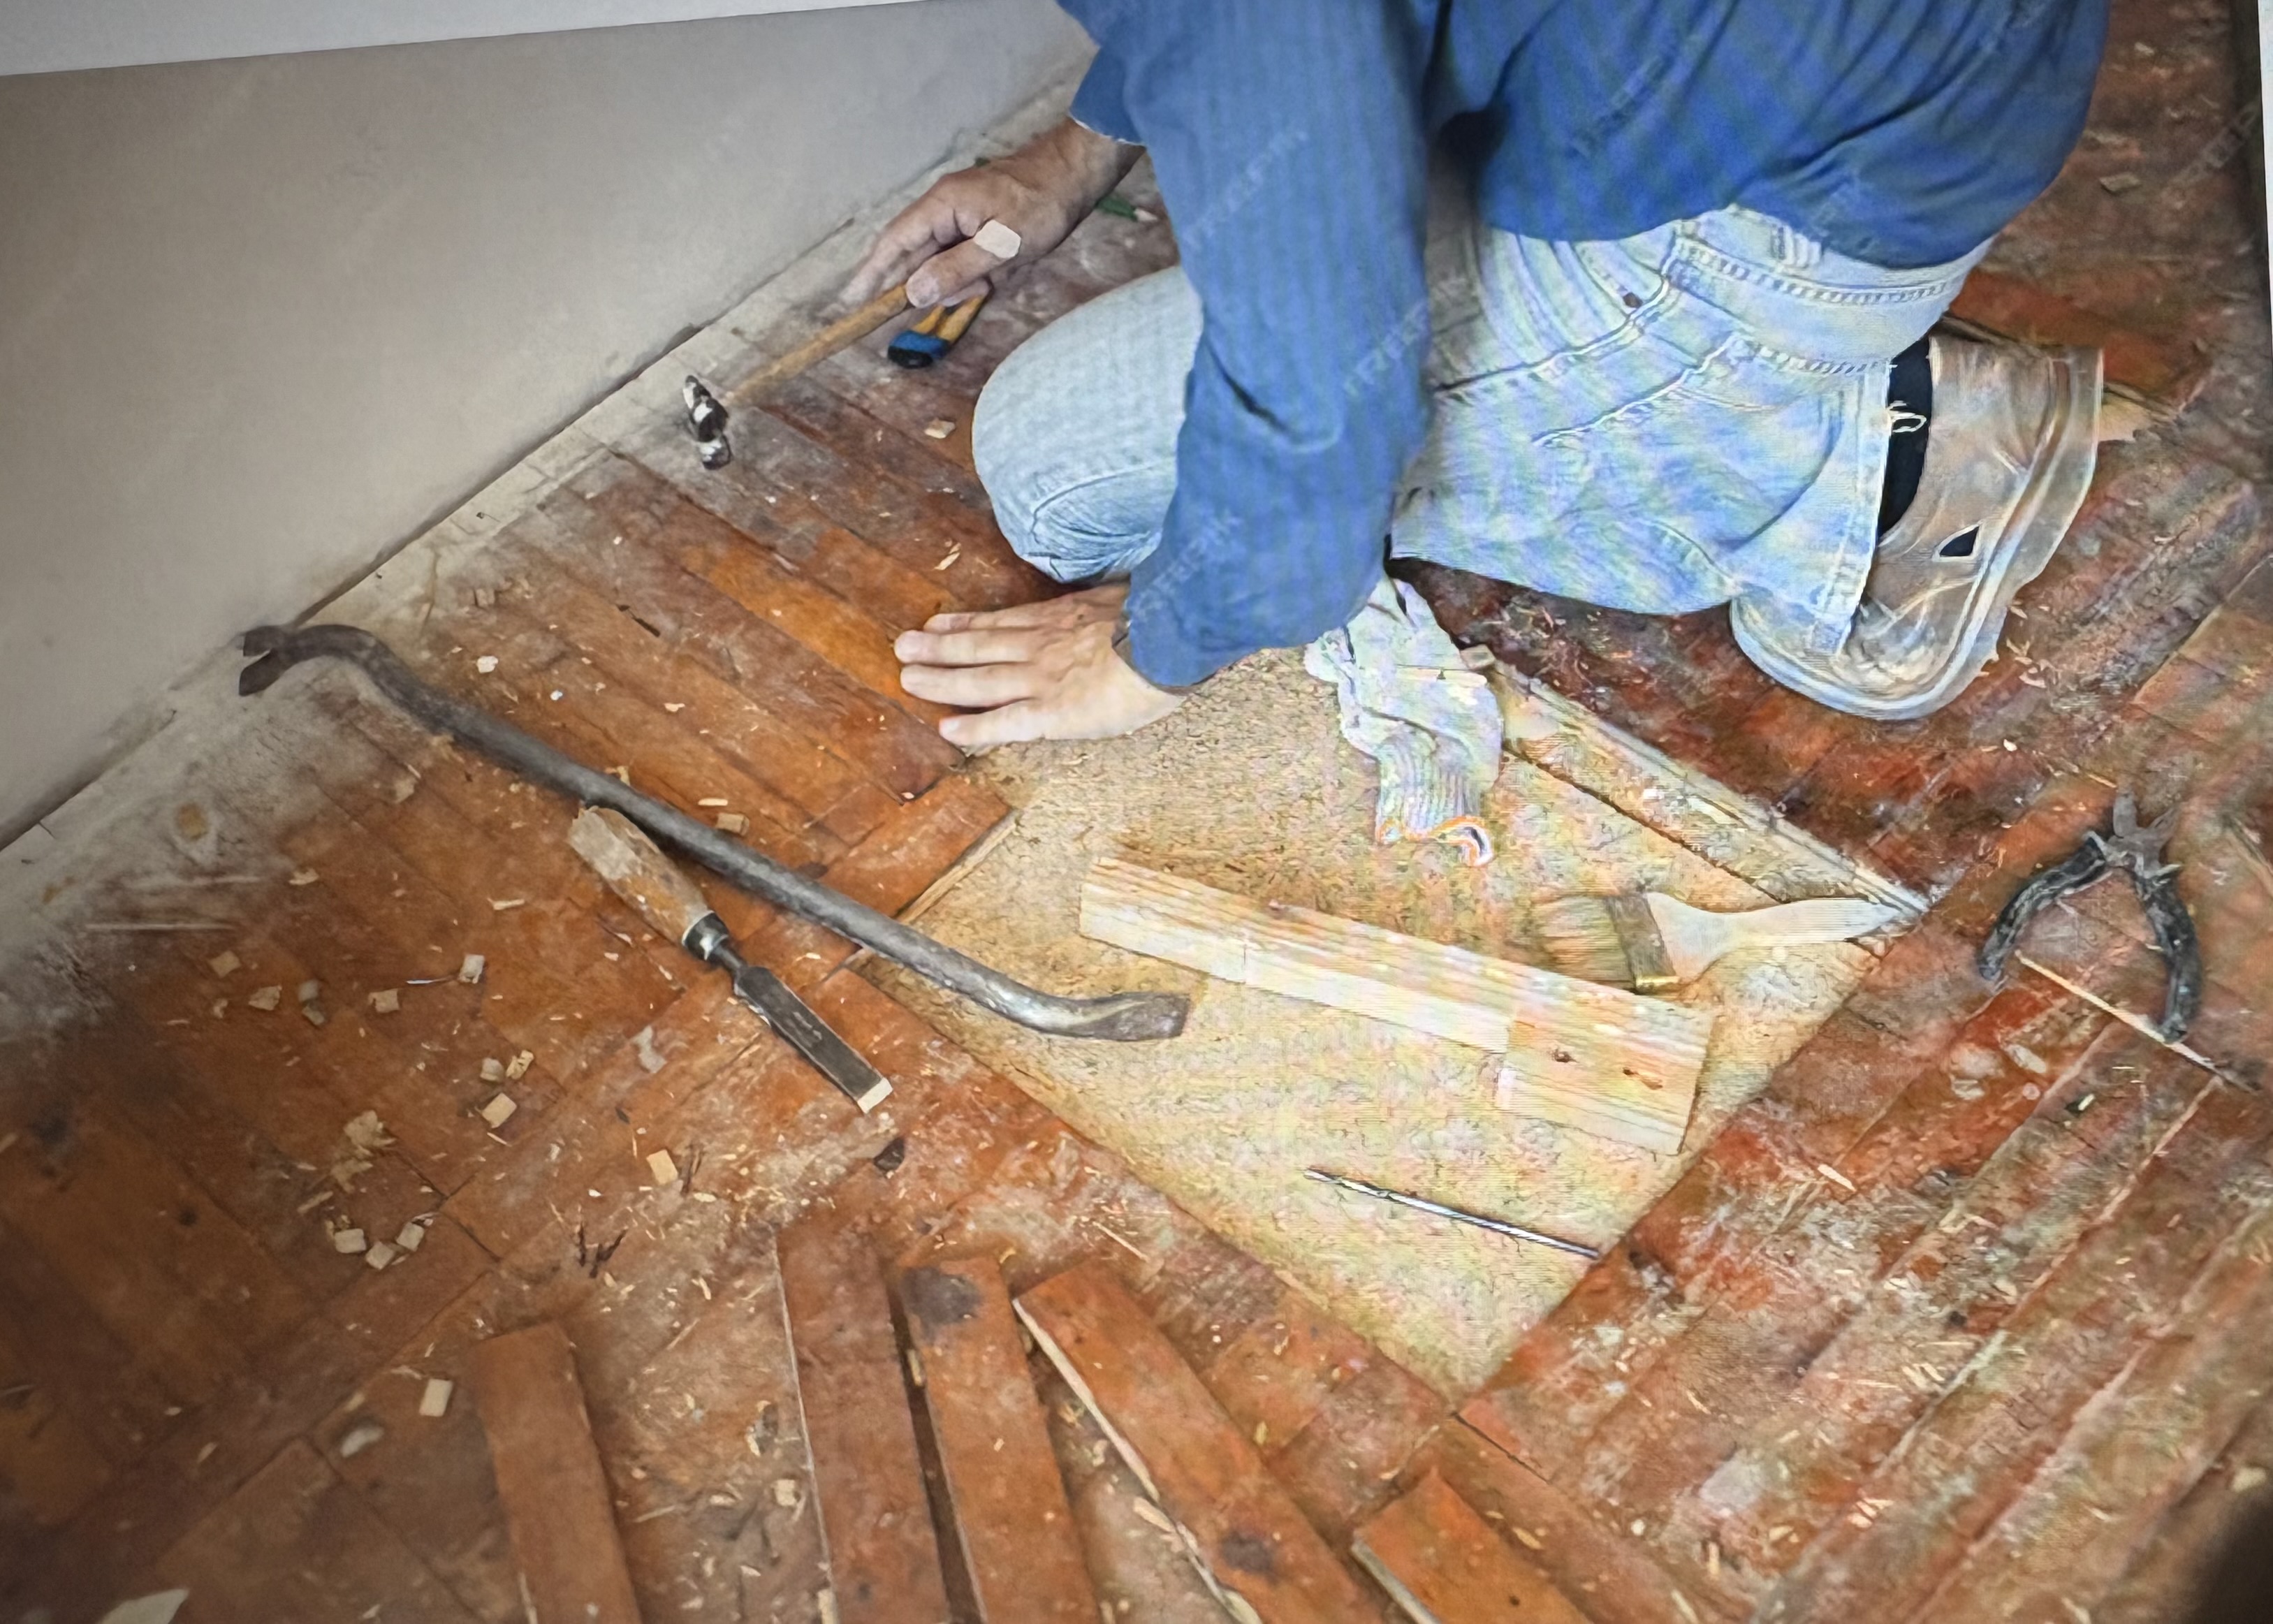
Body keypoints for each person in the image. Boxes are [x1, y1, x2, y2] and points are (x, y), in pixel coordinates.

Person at [847, 1, 2110, 751]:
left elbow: (1323, 375)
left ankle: (1858, 463)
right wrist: (1074, 157)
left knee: (1054, 472)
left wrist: (1152, 644)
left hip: (1809, 214)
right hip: (1912, 90)